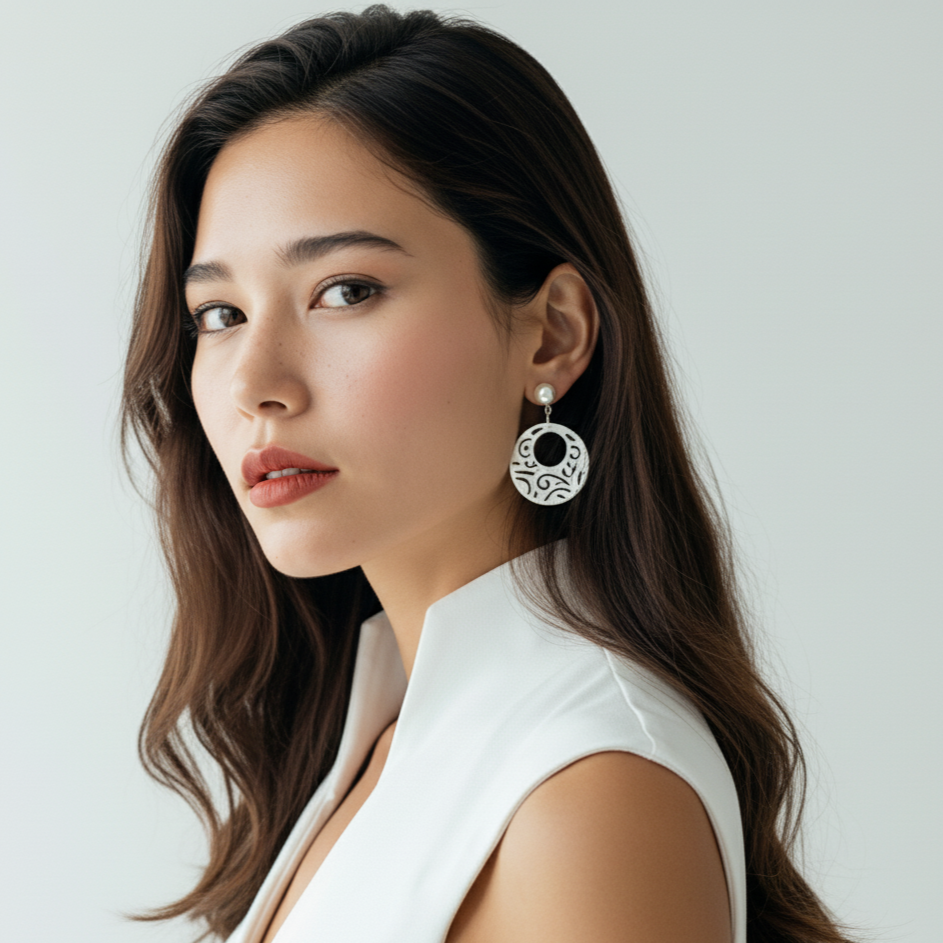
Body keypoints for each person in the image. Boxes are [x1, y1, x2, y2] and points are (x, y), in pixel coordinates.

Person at [120, 6, 854, 942]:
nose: (255, 383)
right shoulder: (384, 735)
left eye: (345, 291)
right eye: (219, 314)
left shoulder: (587, 792)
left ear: (551, 334)